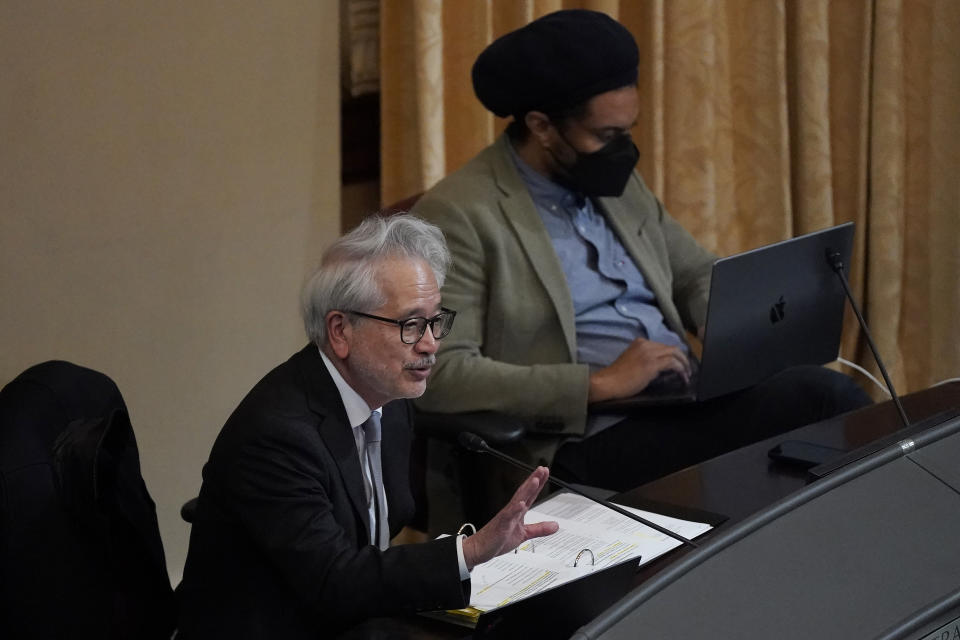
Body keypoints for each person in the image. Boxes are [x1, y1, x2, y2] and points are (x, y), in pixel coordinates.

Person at [411, 9, 872, 490]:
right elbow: (440, 371)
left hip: (682, 401)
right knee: (818, 410)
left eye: (628, 130)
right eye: (606, 136)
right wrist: (598, 384)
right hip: (583, 438)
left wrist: (734, 323)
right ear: (542, 126)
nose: (624, 150)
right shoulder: (460, 214)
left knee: (821, 407)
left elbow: (693, 272)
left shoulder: (613, 179)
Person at [176, 214, 558, 638]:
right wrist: (468, 552)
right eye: (411, 324)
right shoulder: (276, 436)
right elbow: (334, 581)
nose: (431, 343)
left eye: (436, 321)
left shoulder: (389, 397)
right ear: (341, 331)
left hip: (354, 615)